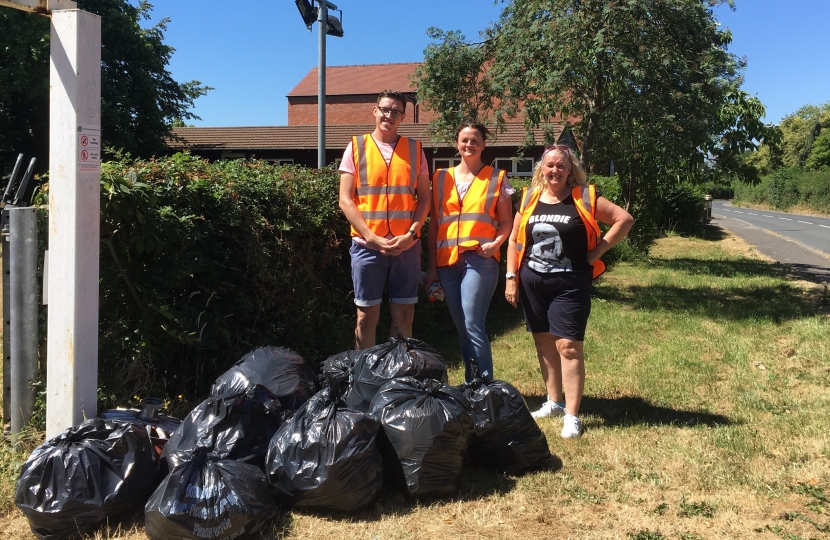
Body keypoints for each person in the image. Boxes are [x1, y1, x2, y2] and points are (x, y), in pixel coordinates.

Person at [505, 145, 634, 438]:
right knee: (543, 341)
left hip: (570, 283)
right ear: (542, 169)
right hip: (532, 282)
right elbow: (513, 239)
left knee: (569, 346)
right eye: (549, 166)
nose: (554, 171)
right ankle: (553, 401)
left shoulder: (584, 198)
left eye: (561, 166)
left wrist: (596, 253)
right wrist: (511, 277)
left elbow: (624, 220)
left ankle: (572, 415)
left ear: (570, 170)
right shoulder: (528, 198)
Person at [338, 89, 431, 349]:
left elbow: (424, 198)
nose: (389, 115)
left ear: (402, 117)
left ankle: (396, 377)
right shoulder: (356, 147)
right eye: (385, 109)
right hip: (367, 247)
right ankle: (365, 378)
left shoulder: (415, 149)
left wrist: (411, 235)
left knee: (404, 316)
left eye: (396, 112)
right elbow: (345, 200)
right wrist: (372, 237)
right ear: (375, 111)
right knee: (366, 318)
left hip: (407, 247)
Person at [424, 122, 514, 382]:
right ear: (457, 143)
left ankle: (484, 386)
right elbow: (435, 226)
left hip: (479, 259)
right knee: (462, 328)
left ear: (483, 144)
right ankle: (471, 382)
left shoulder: (497, 178)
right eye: (464, 140)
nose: (469, 145)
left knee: (473, 324)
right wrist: (431, 268)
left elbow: (507, 222)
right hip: (446, 261)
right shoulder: (441, 178)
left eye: (475, 140)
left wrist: (496, 244)